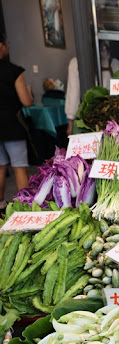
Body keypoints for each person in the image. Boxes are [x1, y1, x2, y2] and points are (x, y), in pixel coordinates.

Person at [0, 32, 33, 211]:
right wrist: (30, 94)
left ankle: (0, 205)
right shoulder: (14, 71)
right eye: (7, 43)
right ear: (0, 46)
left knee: (0, 167)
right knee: (19, 167)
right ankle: (24, 208)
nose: (8, 46)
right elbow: (26, 101)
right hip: (11, 126)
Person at [65, 57, 80, 136]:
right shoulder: (116, 63)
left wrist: (70, 122)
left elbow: (73, 92)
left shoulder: (75, 63)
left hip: (85, 119)